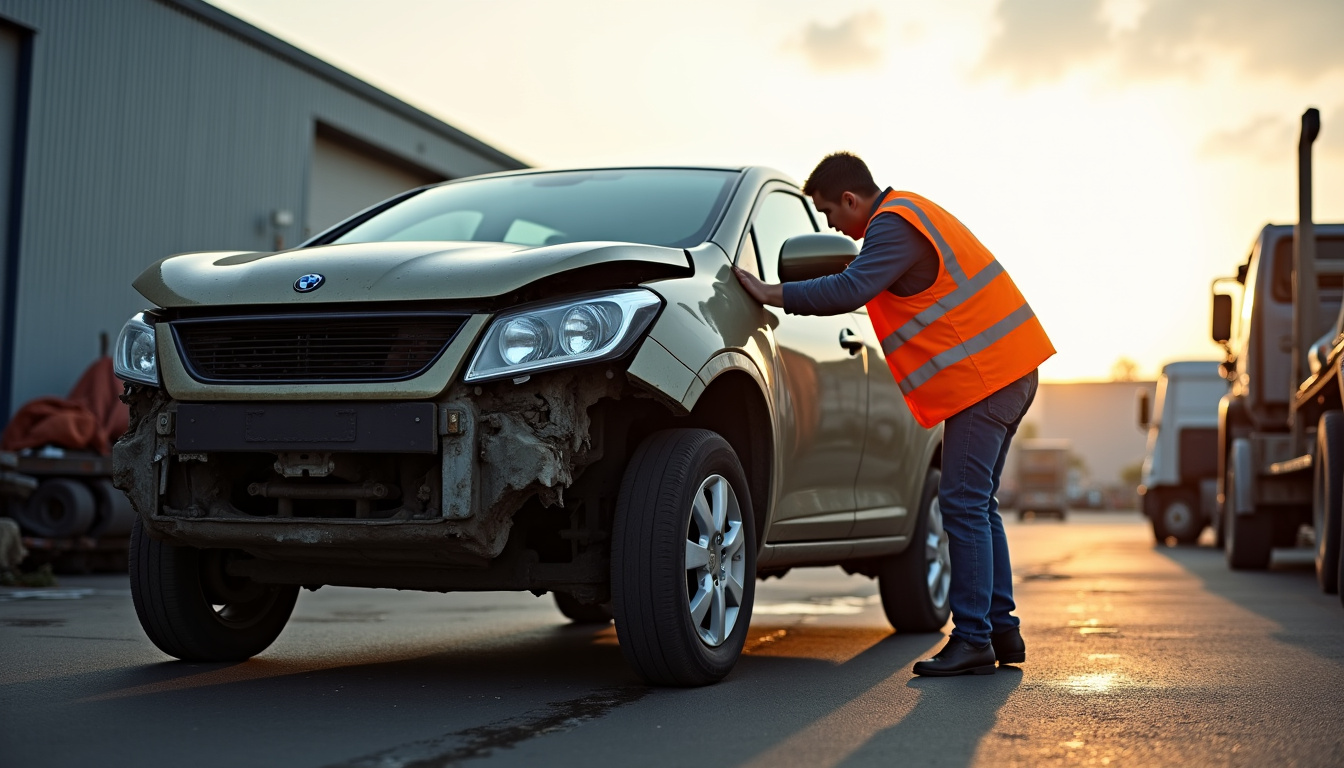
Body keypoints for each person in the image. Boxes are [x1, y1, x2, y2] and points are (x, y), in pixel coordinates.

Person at [733, 152, 1055, 676]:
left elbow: (849, 289)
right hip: (1009, 367)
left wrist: (774, 293)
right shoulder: (913, 212)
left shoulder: (893, 226)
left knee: (963, 505)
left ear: (851, 200)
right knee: (979, 505)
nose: (835, 227)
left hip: (987, 377)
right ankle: (1001, 630)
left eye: (832, 214)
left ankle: (973, 638)